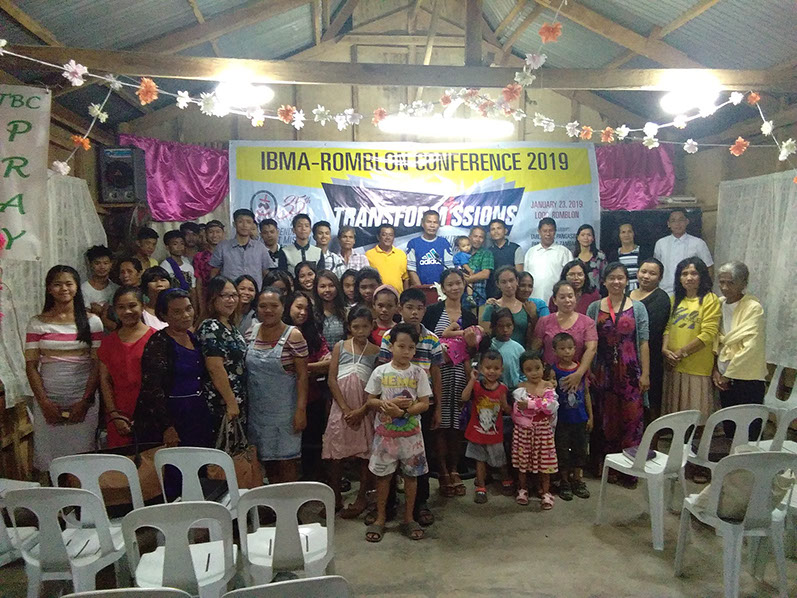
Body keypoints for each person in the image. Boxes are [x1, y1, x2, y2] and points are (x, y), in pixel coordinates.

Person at [25, 266, 103, 472]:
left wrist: (85, 401)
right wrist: (44, 403)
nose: (64, 289)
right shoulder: (37, 323)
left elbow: (97, 364)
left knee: (83, 460)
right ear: (49, 289)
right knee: (51, 460)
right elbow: (31, 365)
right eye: (57, 284)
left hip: (83, 399)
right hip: (48, 399)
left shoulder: (93, 322)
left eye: (69, 283)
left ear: (77, 287)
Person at [379, 287, 443, 528]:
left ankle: (420, 504)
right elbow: (381, 370)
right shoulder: (389, 337)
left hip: (422, 407)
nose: (414, 313)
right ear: (400, 309)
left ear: (425, 310)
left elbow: (436, 373)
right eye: (409, 308)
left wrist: (437, 407)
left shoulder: (432, 339)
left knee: (419, 458)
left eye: (419, 308)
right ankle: (388, 504)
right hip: (392, 408)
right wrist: (384, 405)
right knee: (389, 458)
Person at [364, 322, 432, 542]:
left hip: (411, 437)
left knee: (411, 477)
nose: (406, 351)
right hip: (385, 437)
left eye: (411, 347)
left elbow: (424, 403)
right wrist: (386, 404)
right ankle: (381, 518)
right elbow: (370, 400)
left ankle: (408, 518)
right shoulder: (380, 372)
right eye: (401, 346)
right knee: (383, 477)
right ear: (391, 346)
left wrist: (403, 412)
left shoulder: (418, 373)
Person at [586, 263, 650, 481]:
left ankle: (631, 471)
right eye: (611, 278)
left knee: (632, 419)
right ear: (604, 281)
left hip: (631, 370)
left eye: (620, 278)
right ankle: (609, 468)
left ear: (626, 280)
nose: (616, 282)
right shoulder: (595, 307)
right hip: (603, 371)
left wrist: (645, 374)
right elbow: (590, 341)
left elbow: (643, 342)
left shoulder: (638, 307)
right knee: (606, 420)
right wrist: (589, 369)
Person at [422, 268, 480, 498]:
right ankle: (442, 471)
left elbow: (473, 350)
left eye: (459, 283)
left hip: (460, 376)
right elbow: (424, 340)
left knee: (457, 425)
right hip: (438, 374)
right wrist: (445, 335)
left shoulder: (469, 315)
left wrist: (471, 344)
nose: (455, 287)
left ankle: (455, 469)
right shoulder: (432, 312)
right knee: (439, 424)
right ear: (443, 288)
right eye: (450, 284)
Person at [134, 289, 213, 452]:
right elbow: (152, 388)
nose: (186, 315)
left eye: (188, 308)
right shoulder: (158, 343)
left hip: (197, 411)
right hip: (173, 414)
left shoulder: (193, 338)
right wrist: (167, 426)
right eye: (177, 312)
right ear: (164, 315)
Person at [246, 287, 309, 484]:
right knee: (267, 462)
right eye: (263, 306)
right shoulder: (251, 332)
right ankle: (272, 501)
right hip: (257, 412)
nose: (268, 310)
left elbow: (302, 376)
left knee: (287, 463)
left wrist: (300, 411)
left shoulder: (294, 335)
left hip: (285, 413)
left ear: (283, 307)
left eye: (274, 305)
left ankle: (290, 503)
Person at [322, 305, 380, 514]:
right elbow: (332, 379)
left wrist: (362, 410)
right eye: (356, 327)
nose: (360, 331)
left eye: (365, 326)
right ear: (349, 327)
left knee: (365, 453)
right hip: (341, 408)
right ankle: (335, 497)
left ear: (372, 326)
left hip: (364, 409)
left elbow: (376, 386)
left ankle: (361, 497)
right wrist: (346, 408)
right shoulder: (340, 346)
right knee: (336, 454)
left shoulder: (376, 351)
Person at [661, 257, 721, 426]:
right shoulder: (674, 299)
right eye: (684, 273)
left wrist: (681, 353)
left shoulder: (710, 299)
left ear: (702, 276)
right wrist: (665, 350)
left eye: (694, 273)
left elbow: (708, 334)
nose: (689, 277)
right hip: (673, 365)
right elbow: (667, 327)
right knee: (675, 420)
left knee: (696, 418)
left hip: (697, 366)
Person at [714, 261, 767, 439]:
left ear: (744, 283)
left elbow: (751, 347)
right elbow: (716, 341)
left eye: (730, 283)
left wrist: (727, 375)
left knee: (749, 431)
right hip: (722, 375)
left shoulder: (753, 308)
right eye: (721, 282)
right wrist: (716, 370)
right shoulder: (718, 304)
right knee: (729, 428)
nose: (724, 287)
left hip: (747, 378)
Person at [98, 286, 156, 448]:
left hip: (152, 414)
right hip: (119, 414)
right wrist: (115, 415)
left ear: (142, 306)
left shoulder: (156, 338)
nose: (127, 311)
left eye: (132, 306)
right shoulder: (108, 342)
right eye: (121, 307)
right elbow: (105, 381)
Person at [283, 290, 331, 482]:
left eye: (306, 309)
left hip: (313, 396)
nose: (302, 312)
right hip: (286, 398)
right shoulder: (278, 332)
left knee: (313, 442)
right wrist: (312, 367)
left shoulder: (313, 334)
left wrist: (302, 367)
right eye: (298, 307)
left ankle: (313, 480)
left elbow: (328, 362)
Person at [196, 276, 248, 442]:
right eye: (225, 296)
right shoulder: (210, 326)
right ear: (213, 298)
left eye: (234, 295)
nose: (231, 300)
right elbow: (215, 368)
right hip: (221, 401)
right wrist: (230, 402)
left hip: (237, 397)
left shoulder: (231, 326)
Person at [461, 351, 511, 504]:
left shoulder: (503, 388)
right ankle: (481, 486)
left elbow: (507, 410)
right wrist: (472, 379)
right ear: (481, 368)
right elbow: (464, 397)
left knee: (500, 460)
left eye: (496, 368)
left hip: (495, 434)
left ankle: (505, 478)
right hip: (477, 432)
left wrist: (506, 404)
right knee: (479, 460)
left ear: (501, 369)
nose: (492, 371)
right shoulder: (476, 386)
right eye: (488, 368)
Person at [511, 350, 558, 509]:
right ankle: (522, 489)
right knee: (523, 462)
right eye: (529, 369)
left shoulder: (548, 386)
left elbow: (550, 407)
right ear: (523, 371)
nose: (534, 373)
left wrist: (531, 405)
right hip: (524, 432)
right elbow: (518, 411)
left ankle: (546, 492)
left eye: (537, 368)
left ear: (543, 367)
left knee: (545, 463)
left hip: (543, 432)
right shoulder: (521, 388)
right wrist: (537, 408)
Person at [532, 281, 598, 392]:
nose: (567, 300)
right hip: (549, 379)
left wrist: (579, 374)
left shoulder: (587, 322)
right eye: (562, 297)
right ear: (554, 300)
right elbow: (535, 349)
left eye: (570, 296)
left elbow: (591, 349)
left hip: (577, 377)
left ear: (576, 298)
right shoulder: (544, 321)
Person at [551, 333, 592, 501]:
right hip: (562, 420)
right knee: (562, 451)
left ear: (575, 349)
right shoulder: (553, 371)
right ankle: (564, 481)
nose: (566, 351)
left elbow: (586, 393)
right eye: (562, 348)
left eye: (570, 348)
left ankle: (577, 480)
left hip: (580, 419)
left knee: (580, 450)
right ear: (554, 351)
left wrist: (590, 416)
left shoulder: (580, 369)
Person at [629, 258, 671, 420]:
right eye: (643, 271)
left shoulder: (661, 298)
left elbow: (652, 330)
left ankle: (651, 434)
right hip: (627, 357)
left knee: (650, 399)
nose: (646, 276)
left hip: (650, 357)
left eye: (652, 273)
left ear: (660, 278)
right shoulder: (628, 294)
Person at [210, 208, 275, 290]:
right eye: (240, 221)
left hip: (254, 293)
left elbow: (266, 273)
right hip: (230, 293)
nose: (244, 225)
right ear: (234, 224)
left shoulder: (260, 248)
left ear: (252, 225)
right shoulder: (222, 247)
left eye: (248, 222)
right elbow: (214, 273)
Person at [653, 209, 714, 294]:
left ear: (687, 222)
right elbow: (656, 268)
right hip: (665, 291)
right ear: (668, 224)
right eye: (673, 221)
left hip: (691, 292)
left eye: (681, 220)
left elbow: (709, 268)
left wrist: (703, 289)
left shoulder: (698, 243)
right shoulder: (660, 243)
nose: (677, 224)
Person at [515, 217, 572, 302]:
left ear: (555, 231)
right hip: (533, 298)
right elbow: (525, 277)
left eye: (551, 230)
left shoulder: (564, 252)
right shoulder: (531, 252)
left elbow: (569, 277)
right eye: (544, 231)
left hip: (557, 299)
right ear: (539, 232)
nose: (548, 234)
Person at [481, 266, 537, 347]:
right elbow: (485, 336)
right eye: (503, 282)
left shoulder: (526, 308)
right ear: (498, 284)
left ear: (517, 281)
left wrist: (534, 316)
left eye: (511, 280)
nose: (508, 285)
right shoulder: (492, 307)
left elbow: (532, 336)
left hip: (520, 352)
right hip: (496, 352)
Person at [407, 210, 453, 286]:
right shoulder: (413, 243)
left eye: (435, 222)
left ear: (439, 224)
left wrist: (442, 288)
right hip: (421, 289)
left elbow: (449, 269)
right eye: (429, 222)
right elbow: (412, 270)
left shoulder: (444, 243)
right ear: (422, 223)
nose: (432, 225)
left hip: (442, 289)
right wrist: (421, 289)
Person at [489, 307, 525, 391]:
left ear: (513, 326)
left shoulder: (519, 349)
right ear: (494, 327)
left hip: (515, 390)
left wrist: (519, 386)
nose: (505, 330)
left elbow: (524, 373)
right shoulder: (489, 346)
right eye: (500, 326)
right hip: (492, 390)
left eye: (508, 326)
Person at [366, 223, 408, 291]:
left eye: (391, 235)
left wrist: (405, 295)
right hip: (377, 296)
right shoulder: (369, 255)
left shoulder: (401, 254)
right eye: (384, 235)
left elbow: (406, 279)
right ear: (378, 237)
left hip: (398, 296)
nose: (388, 237)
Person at [81, 245, 118, 322]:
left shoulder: (116, 289)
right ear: (91, 264)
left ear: (111, 264)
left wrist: (99, 311)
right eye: (97, 263)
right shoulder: (83, 289)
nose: (102, 267)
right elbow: (85, 316)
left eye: (105, 263)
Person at [314, 269, 347, 351]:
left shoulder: (346, 312)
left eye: (331, 285)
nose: (327, 290)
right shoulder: (311, 313)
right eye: (322, 286)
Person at [487, 218, 520, 299]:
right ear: (490, 233)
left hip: (511, 293)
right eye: (493, 229)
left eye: (499, 228)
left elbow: (519, 273)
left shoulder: (515, 248)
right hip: (492, 294)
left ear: (505, 231)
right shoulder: (487, 251)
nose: (496, 231)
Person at [194, 219, 225, 305]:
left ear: (223, 234)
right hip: (207, 296)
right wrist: (201, 306)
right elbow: (199, 281)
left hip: (228, 294)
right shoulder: (199, 256)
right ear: (206, 235)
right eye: (211, 232)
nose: (214, 235)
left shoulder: (230, 253)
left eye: (218, 232)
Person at [462, 226, 494, 307]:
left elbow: (485, 274)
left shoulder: (486, 253)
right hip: (461, 295)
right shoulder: (462, 253)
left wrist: (465, 280)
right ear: (470, 237)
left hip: (478, 296)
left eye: (481, 237)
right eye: (475, 236)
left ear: (484, 240)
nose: (478, 239)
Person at [608, 220, 644, 291]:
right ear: (619, 235)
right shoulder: (614, 255)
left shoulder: (643, 252)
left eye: (629, 231)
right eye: (623, 232)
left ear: (634, 233)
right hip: (620, 291)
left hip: (641, 291)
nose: (626, 235)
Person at [161, 230, 196, 298]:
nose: (179, 247)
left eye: (182, 243)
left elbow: (193, 290)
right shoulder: (164, 267)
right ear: (167, 247)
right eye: (175, 244)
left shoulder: (189, 267)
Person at [573, 224, 607, 291]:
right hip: (577, 294)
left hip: (597, 294)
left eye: (589, 235)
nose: (586, 238)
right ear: (578, 238)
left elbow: (605, 276)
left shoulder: (600, 256)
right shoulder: (573, 257)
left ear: (593, 238)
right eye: (583, 235)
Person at [140, 266, 172, 331]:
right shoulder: (141, 313)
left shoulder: (178, 309)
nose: (159, 284)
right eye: (154, 281)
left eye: (163, 280)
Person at [234, 275, 258, 339]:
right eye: (242, 289)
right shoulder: (226, 313)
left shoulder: (257, 316)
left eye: (251, 290)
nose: (246, 292)